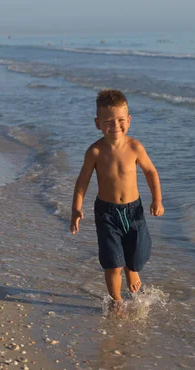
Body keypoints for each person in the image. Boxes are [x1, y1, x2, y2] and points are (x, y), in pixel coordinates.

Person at [70, 89, 164, 310]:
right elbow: (82, 182)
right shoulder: (94, 151)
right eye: (108, 121)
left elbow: (151, 172)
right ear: (97, 123)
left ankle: (133, 270)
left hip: (134, 211)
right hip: (106, 213)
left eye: (121, 120)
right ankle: (117, 302)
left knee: (138, 255)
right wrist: (76, 209)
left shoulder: (135, 147)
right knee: (113, 263)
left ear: (129, 121)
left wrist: (157, 200)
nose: (115, 125)